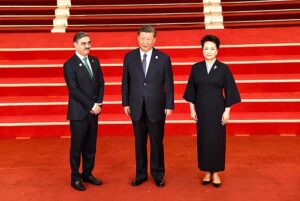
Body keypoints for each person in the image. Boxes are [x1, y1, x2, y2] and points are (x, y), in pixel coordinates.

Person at [183, 35, 241, 188]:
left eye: (212, 48)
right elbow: (191, 90)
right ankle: (206, 171)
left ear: (217, 50)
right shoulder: (196, 68)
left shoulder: (223, 68)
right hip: (201, 110)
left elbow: (230, 90)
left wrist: (227, 111)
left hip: (217, 109)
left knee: (217, 141)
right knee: (203, 140)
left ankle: (215, 173)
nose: (209, 51)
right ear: (202, 50)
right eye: (206, 48)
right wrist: (192, 109)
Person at [122, 25, 174, 187]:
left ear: (154, 40)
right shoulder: (129, 57)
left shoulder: (164, 58)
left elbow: (169, 84)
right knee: (139, 142)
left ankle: (158, 174)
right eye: (142, 38)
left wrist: (169, 104)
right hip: (136, 106)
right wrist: (125, 102)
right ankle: (141, 174)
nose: (145, 42)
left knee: (157, 142)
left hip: (157, 106)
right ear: (137, 38)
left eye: (148, 39)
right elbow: (126, 82)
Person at [63, 32, 105, 191]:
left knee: (90, 146)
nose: (87, 45)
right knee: (77, 146)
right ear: (75, 45)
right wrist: (91, 105)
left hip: (94, 111)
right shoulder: (69, 64)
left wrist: (98, 103)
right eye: (83, 43)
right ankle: (75, 177)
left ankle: (87, 173)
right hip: (79, 113)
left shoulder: (95, 61)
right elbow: (74, 90)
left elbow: (101, 82)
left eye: (89, 42)